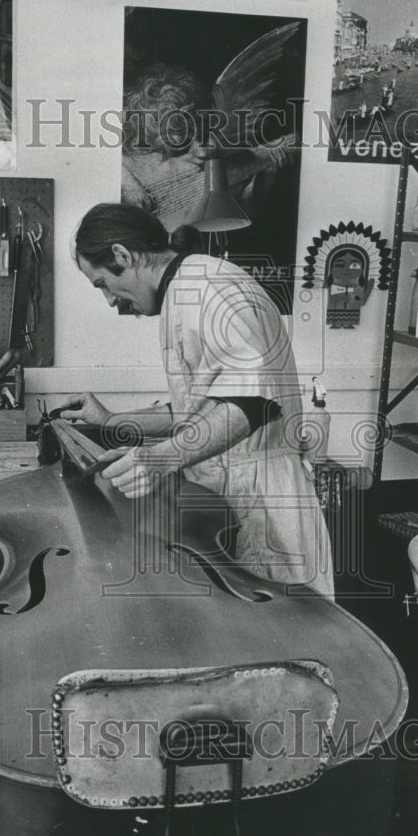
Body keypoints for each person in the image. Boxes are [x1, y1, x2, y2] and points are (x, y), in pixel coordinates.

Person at [59, 203, 335, 599]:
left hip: (262, 500)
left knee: (281, 643)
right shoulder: (186, 290)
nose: (108, 300)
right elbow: (198, 410)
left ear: (123, 255)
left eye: (101, 283)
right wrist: (112, 420)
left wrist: (160, 459)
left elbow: (250, 403)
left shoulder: (211, 287)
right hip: (228, 499)